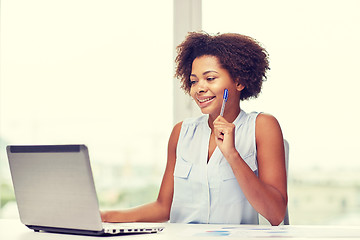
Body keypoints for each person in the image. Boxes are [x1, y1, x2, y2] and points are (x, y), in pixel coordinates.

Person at [101, 31, 287, 226]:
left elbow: (275, 214)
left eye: (210, 78)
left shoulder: (262, 126)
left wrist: (232, 155)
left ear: (239, 82)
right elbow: (164, 207)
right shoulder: (181, 132)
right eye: (194, 80)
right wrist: (105, 216)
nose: (199, 88)